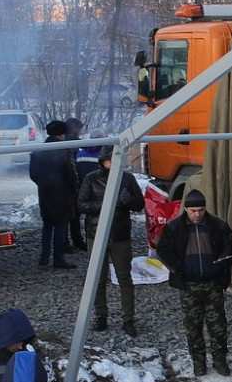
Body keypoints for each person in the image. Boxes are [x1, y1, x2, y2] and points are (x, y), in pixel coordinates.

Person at [155, 189, 232, 377]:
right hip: (189, 285)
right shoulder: (174, 228)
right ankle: (198, 362)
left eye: (200, 210)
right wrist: (177, 268)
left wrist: (222, 264)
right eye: (193, 211)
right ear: (186, 209)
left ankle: (220, 360)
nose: (197, 214)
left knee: (217, 325)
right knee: (193, 327)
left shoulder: (217, 226)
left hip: (213, 283)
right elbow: (163, 249)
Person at [77, 147, 145, 336]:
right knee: (98, 278)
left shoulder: (127, 179)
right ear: (102, 161)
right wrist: (109, 203)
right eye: (108, 160)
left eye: (114, 160)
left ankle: (128, 319)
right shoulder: (91, 178)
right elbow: (81, 204)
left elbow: (140, 204)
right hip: (96, 233)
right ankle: (101, 316)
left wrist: (128, 200)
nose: (111, 163)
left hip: (120, 235)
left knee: (125, 278)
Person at [28, 120, 79, 270]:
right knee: (61, 227)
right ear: (62, 134)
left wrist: (43, 184)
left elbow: (33, 174)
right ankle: (58, 259)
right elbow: (71, 174)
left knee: (47, 226)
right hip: (62, 195)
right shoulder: (64, 150)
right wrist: (74, 189)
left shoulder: (38, 151)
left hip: (44, 193)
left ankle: (44, 258)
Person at [63, 117, 88, 254]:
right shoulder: (71, 141)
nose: (80, 131)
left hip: (69, 184)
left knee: (71, 215)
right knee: (72, 215)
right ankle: (74, 241)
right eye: (79, 129)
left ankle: (70, 241)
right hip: (71, 184)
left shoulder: (65, 140)